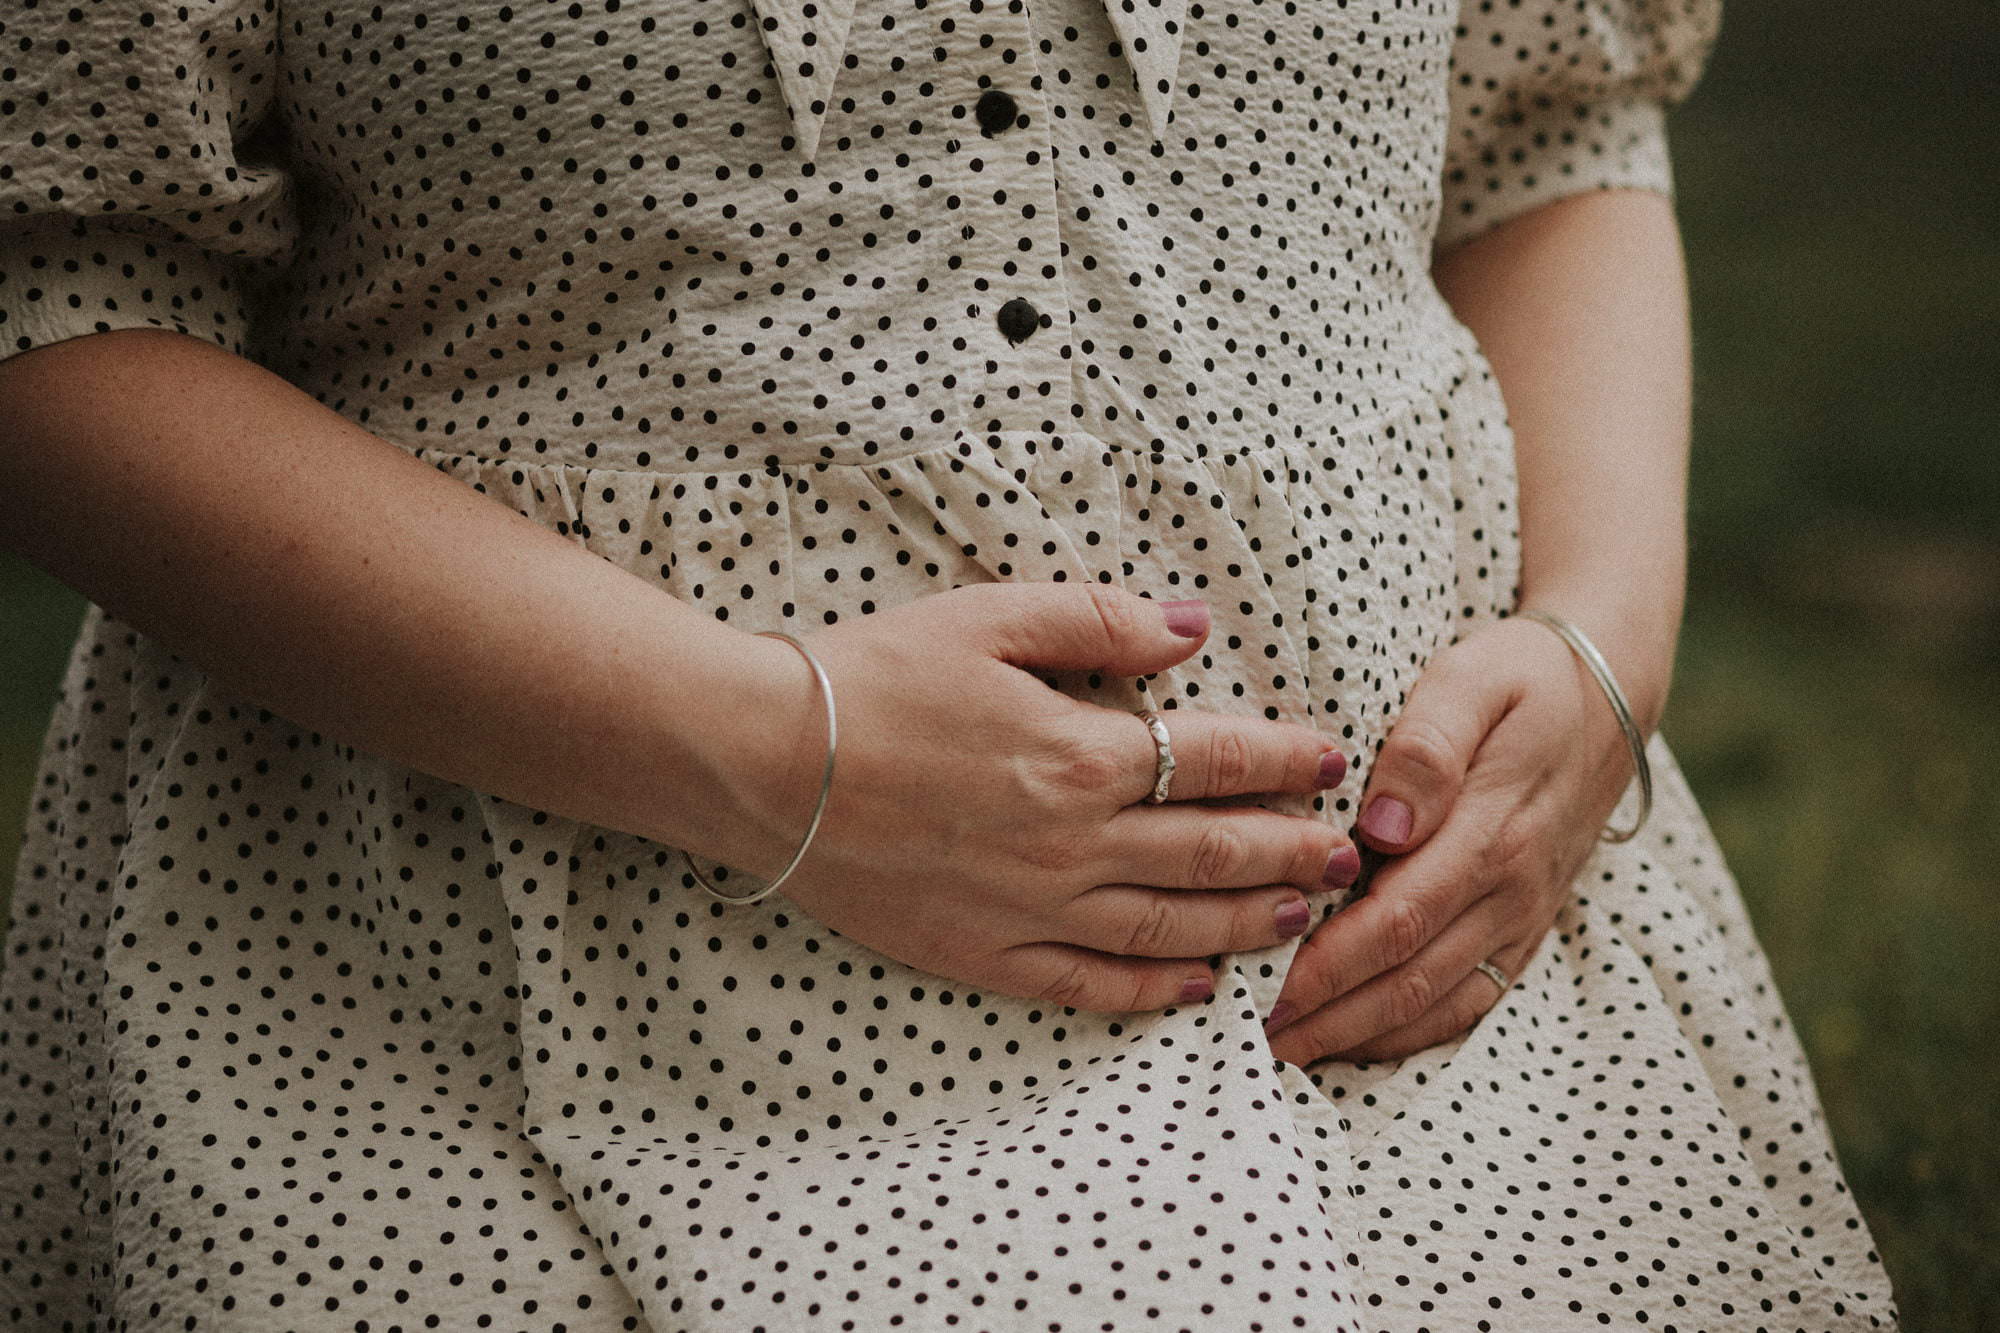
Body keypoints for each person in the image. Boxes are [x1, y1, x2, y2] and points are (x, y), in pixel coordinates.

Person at [0, 0, 1898, 1326]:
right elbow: (56, 296)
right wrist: (765, 749)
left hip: (1435, 991)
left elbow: (1549, 127)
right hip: (531, 1002)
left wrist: (1598, 641)